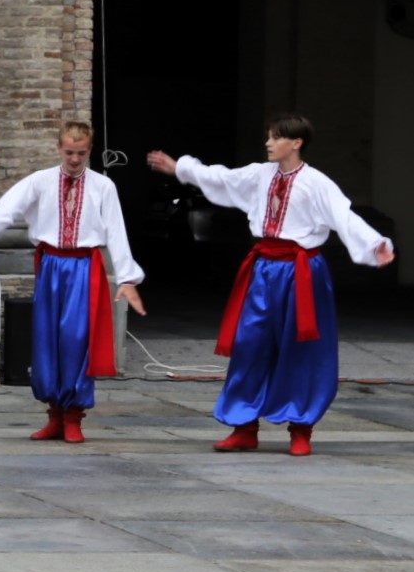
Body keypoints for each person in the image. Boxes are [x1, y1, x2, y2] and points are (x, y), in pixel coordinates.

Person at [146, 116, 395, 455]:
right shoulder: (259, 175)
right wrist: (180, 168)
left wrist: (375, 244)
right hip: (264, 269)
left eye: (276, 138)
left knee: (303, 347)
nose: (268, 143)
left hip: (302, 271)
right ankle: (244, 426)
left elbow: (344, 216)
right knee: (250, 343)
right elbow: (222, 178)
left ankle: (301, 429)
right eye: (269, 137)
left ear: (296, 143)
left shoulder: (317, 183)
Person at [0, 122, 145, 443]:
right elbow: (5, 209)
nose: (74, 159)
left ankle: (73, 416)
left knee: (75, 339)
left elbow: (116, 231)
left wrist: (127, 278)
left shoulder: (103, 186)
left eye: (81, 153)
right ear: (58, 148)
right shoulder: (40, 181)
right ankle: (54, 415)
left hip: (83, 268)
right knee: (47, 340)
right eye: (69, 152)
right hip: (50, 266)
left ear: (89, 151)